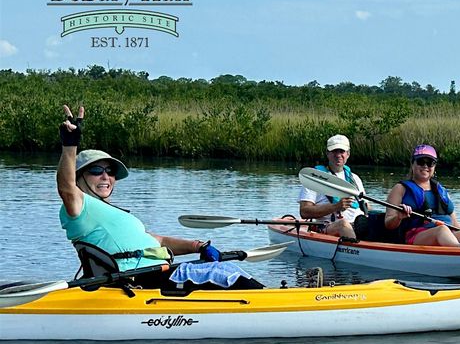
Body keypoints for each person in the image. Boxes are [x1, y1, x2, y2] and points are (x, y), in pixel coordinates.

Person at [55, 105, 263, 290]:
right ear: (78, 176)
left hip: (157, 272)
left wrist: (198, 246)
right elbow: (66, 188)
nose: (106, 177)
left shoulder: (113, 214)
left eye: (110, 172)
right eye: (96, 170)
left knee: (221, 269)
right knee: (224, 272)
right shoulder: (80, 206)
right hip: (140, 279)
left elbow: (158, 240)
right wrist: (70, 145)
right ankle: (278, 305)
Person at [298, 134, 368, 240]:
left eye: (342, 151)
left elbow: (366, 206)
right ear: (327, 153)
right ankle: (361, 251)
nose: (338, 155)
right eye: (334, 151)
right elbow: (304, 211)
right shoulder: (314, 178)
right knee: (343, 224)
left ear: (348, 154)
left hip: (357, 224)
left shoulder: (355, 179)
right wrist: (336, 207)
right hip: (328, 226)